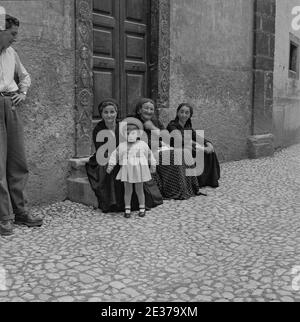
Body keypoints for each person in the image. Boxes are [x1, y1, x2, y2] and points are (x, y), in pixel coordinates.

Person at [0, 14, 43, 236]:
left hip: (11, 104)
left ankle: (21, 211)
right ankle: (4, 217)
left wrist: (23, 93)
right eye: (12, 34)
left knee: (18, 161)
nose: (15, 39)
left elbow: (24, 76)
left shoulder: (11, 53)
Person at [86, 99, 162, 213]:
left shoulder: (122, 126)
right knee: (110, 167)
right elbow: (102, 150)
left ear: (116, 113)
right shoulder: (98, 129)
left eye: (112, 112)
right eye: (106, 112)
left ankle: (136, 202)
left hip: (123, 154)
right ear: (101, 114)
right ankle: (115, 202)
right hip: (106, 156)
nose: (109, 115)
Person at [133, 98, 202, 200]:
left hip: (161, 148)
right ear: (139, 110)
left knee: (185, 152)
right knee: (174, 155)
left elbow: (168, 139)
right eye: (146, 108)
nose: (149, 111)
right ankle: (174, 191)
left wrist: (153, 128)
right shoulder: (133, 123)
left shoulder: (155, 122)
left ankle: (189, 188)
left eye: (151, 109)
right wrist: (159, 143)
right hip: (148, 152)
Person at [107, 117, 156, 218]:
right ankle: (127, 208)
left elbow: (150, 155)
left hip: (139, 170)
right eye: (127, 132)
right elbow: (114, 155)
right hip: (127, 170)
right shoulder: (122, 146)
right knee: (128, 190)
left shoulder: (143, 144)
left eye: (133, 132)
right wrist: (111, 165)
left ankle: (142, 208)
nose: (130, 135)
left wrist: (153, 165)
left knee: (139, 190)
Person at [167, 103, 220, 188]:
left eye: (187, 113)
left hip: (187, 147)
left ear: (190, 115)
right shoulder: (172, 125)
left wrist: (208, 144)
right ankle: (196, 182)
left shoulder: (188, 127)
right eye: (182, 112)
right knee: (197, 151)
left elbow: (197, 137)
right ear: (177, 113)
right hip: (176, 149)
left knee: (210, 152)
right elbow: (179, 139)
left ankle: (209, 180)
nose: (184, 115)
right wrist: (196, 145)